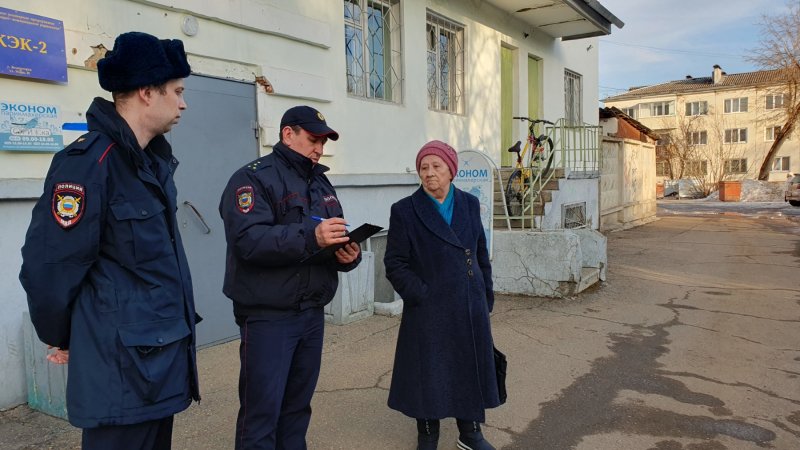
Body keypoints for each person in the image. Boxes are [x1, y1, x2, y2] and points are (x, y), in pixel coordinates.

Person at [18, 31, 200, 450]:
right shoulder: (88, 164)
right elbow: (50, 266)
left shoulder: (151, 162)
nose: (183, 103)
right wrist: (64, 336)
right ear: (146, 93)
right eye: (177, 91)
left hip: (157, 366)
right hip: (119, 373)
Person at [219, 105, 361, 449]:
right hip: (269, 316)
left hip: (311, 313)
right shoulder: (252, 178)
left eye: (323, 142)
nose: (319, 148)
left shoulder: (321, 181)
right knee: (261, 414)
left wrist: (346, 256)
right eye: (313, 139)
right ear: (288, 134)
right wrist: (312, 237)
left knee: (297, 410)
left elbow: (331, 237)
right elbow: (248, 241)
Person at [384, 140, 500, 450]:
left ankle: (470, 432)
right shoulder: (405, 210)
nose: (429, 173)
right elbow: (395, 264)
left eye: (436, 166)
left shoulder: (469, 204)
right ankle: (427, 434)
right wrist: (419, 294)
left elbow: (479, 251)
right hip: (428, 308)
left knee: (468, 365)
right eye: (424, 167)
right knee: (428, 373)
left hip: (468, 302)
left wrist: (485, 292)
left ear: (451, 170)